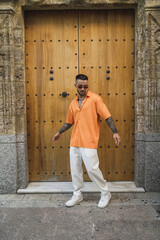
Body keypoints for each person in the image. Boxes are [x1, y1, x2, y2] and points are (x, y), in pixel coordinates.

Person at [52, 74, 121, 208]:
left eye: (85, 86)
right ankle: (78, 194)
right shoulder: (72, 103)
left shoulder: (95, 99)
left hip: (89, 141)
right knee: (75, 170)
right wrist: (59, 132)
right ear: (75, 86)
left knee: (92, 169)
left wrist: (115, 132)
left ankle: (105, 192)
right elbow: (69, 122)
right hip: (74, 142)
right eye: (80, 86)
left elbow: (107, 116)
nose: (83, 88)